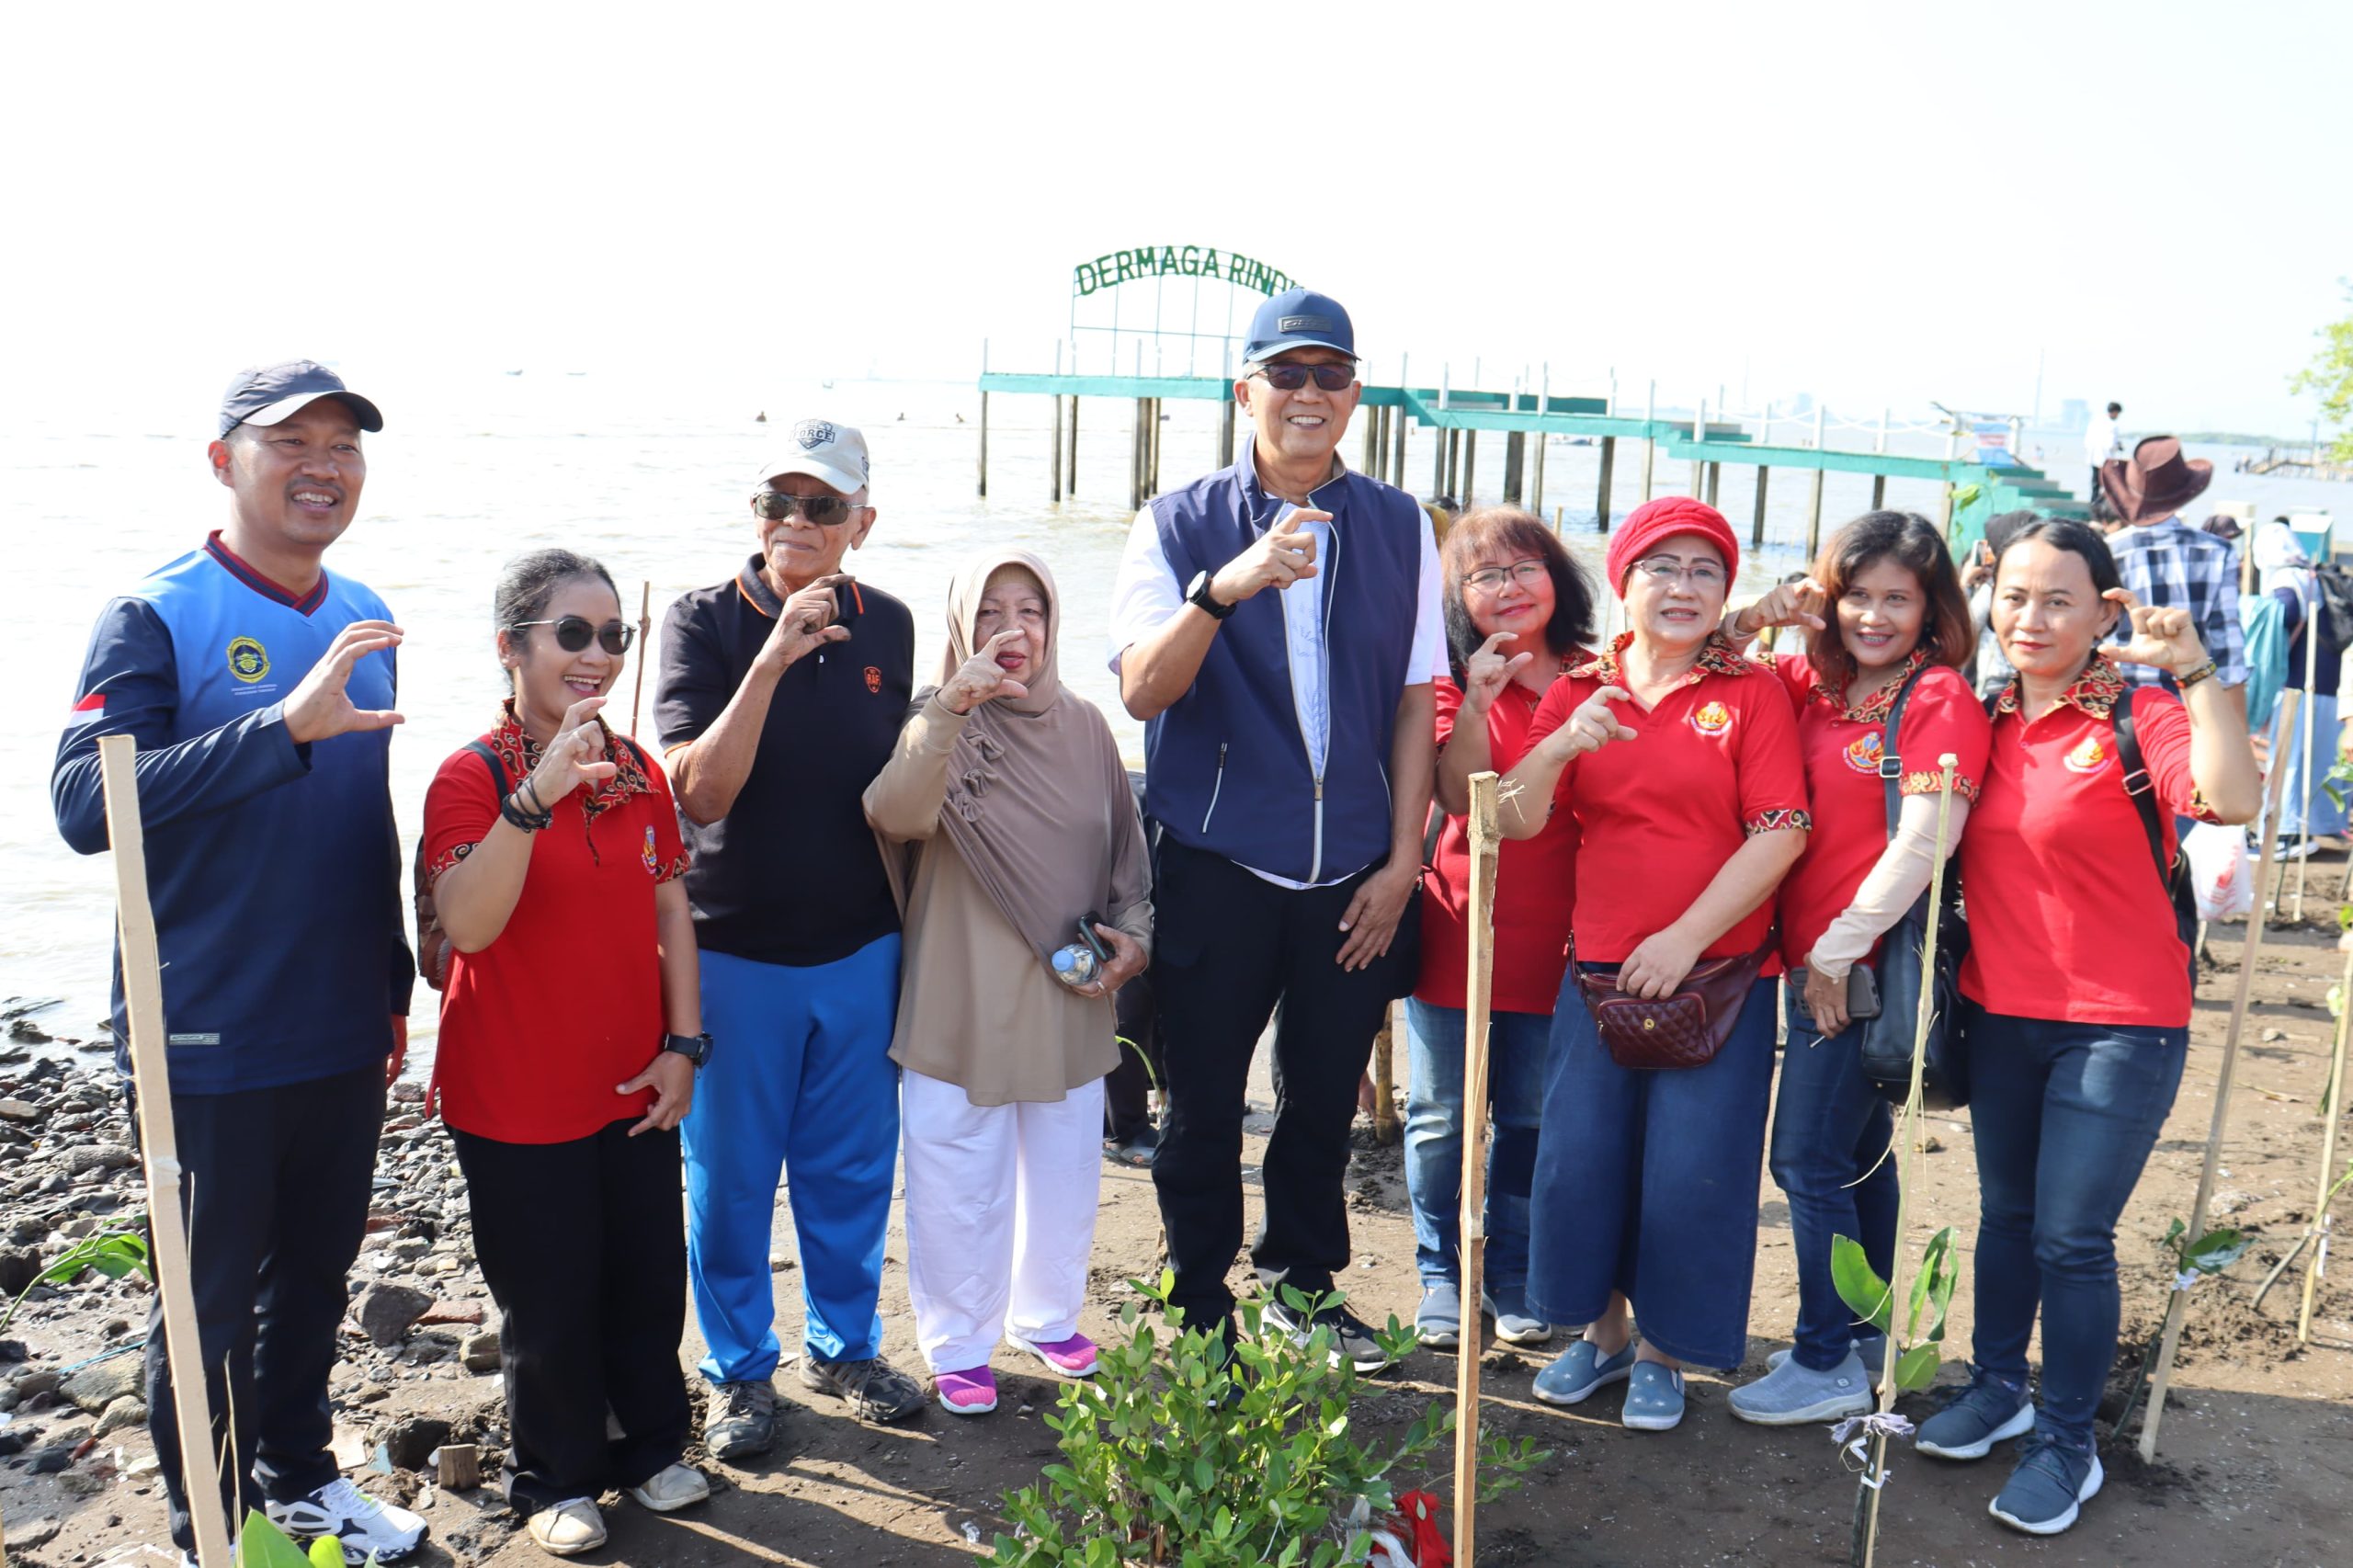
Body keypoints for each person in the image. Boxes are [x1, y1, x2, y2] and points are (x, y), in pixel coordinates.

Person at [51, 362, 426, 1563]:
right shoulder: (155, 613)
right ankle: (208, 1525)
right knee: (206, 1299)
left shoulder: (364, 610)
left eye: (344, 445)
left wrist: (393, 983)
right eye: (291, 442)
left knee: (316, 1274)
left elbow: (364, 820)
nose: (323, 464)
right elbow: (80, 801)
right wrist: (275, 729)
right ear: (224, 461)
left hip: (336, 1021)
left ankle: (302, 1478)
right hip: (204, 1028)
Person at [1108, 288, 1446, 1371]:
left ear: (1355, 396)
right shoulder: (1173, 523)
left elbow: (1412, 704)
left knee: (1321, 1093)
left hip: (1354, 866)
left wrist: (1401, 863)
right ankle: (1199, 1297)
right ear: (1243, 388)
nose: (1308, 394)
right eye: (1286, 374)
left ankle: (1302, 1283)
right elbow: (1142, 694)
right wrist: (1227, 586)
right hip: (1216, 860)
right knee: (1201, 1099)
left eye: (1330, 375)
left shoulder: (1400, 525)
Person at [1919, 518, 2260, 1535]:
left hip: (2121, 1023)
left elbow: (2228, 797)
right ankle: (1995, 1385)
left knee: (2071, 1236)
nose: (2030, 618)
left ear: (2107, 610)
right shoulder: (1977, 712)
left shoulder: (2137, 711)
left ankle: (2066, 1438)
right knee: (2007, 1217)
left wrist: (2197, 668)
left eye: (2058, 599)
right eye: (2012, 596)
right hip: (1999, 1010)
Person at [418, 551, 709, 1553]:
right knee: (546, 1297)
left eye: (613, 635)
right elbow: (469, 921)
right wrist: (533, 798)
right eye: (571, 633)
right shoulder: (472, 774)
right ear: (511, 648)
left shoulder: (635, 768)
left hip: (632, 1074)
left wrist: (683, 1042)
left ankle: (653, 1444)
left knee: (642, 1276)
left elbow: (670, 903)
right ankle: (555, 1476)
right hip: (514, 1090)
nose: (598, 655)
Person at [1502, 496, 1811, 1432]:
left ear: (1726, 591)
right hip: (1594, 972)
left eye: (1705, 570)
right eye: (1662, 567)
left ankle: (1664, 1353)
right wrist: (1557, 744)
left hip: (1718, 977)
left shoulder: (1749, 691)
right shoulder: (1580, 687)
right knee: (1581, 1160)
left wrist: (1683, 937)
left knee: (1692, 1172)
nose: (1682, 587)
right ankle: (1598, 1335)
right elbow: (1509, 818)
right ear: (1623, 580)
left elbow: (1782, 828)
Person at [655, 419, 926, 1452]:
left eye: (822, 505)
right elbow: (701, 791)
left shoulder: (891, 626)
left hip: (862, 948)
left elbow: (913, 782)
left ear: (862, 521)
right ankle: (736, 1372)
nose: (796, 522)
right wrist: (770, 659)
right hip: (731, 953)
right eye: (779, 501)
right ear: (755, 514)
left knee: (851, 1171)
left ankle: (846, 1343)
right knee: (727, 1181)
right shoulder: (701, 622)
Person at [1715, 513, 1990, 1425]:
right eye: (1856, 594)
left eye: (1896, 599)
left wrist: (1834, 952)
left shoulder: (1937, 695)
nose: (1873, 615)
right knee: (1860, 1156)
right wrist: (1764, 611)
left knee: (1805, 1157)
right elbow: (1707, 659)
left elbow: (1925, 842)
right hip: (1807, 962)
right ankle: (1875, 1336)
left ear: (1930, 606)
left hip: (1864, 967)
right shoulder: (1816, 683)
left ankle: (1824, 1354)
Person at [865, 551, 1153, 1415]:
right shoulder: (935, 719)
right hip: (961, 995)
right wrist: (954, 703)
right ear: (961, 626)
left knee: (1063, 1171)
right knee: (957, 1178)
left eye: (1031, 610)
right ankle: (957, 1342)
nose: (1013, 630)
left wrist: (1133, 940)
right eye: (990, 613)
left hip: (1067, 993)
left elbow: (1126, 864)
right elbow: (894, 812)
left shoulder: (1088, 727)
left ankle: (1047, 1316)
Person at [1409, 506, 1597, 1350]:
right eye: (1484, 576)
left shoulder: (1601, 675)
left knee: (1529, 1117)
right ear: (1458, 598)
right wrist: (1481, 702)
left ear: (1557, 579)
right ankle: (1443, 1274)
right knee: (1444, 1113)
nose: (1508, 588)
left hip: (1565, 937)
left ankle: (1512, 1274)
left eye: (1525, 568)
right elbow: (1459, 797)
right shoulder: (1450, 681)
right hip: (1462, 926)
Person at [2099, 437, 2245, 702]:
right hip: (2191, 699)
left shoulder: (2105, 551)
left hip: (2117, 702)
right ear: (2184, 493)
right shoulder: (2218, 552)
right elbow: (2228, 651)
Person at [2260, 537, 2347, 851]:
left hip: (2299, 684)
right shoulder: (2317, 575)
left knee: (2291, 758)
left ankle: (2289, 832)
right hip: (2328, 684)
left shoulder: (2287, 578)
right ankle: (2319, 826)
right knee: (2321, 758)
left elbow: (2285, 613)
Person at [2084, 402, 2122, 503]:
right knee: (2107, 483)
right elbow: (2111, 445)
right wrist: (2118, 446)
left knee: (2095, 482)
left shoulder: (2095, 422)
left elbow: (2087, 440)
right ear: (2115, 412)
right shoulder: (2113, 426)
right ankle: (2101, 504)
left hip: (2092, 455)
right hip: (2105, 458)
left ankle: (2093, 502)